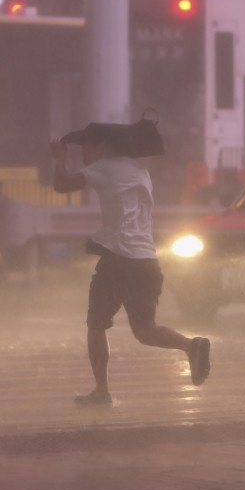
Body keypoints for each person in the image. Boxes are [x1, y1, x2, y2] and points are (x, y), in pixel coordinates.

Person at [50, 122, 211, 406]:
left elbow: (61, 185)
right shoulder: (140, 171)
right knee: (145, 330)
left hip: (118, 261)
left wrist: (58, 159)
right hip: (147, 260)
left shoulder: (104, 168)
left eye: (87, 144)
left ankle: (102, 391)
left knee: (96, 324)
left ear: (105, 147)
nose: (83, 151)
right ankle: (190, 345)